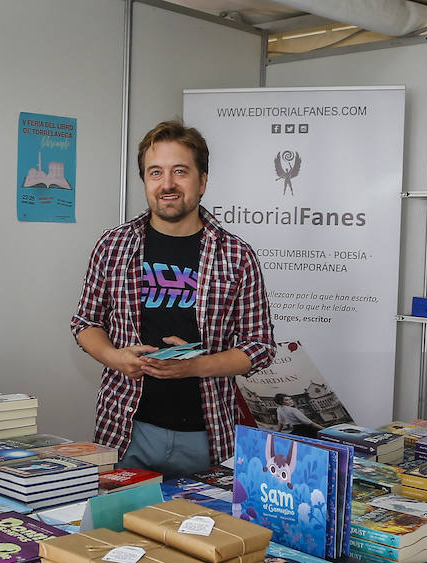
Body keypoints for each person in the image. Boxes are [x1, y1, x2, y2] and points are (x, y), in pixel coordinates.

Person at [71, 120, 275, 478]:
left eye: (180, 171)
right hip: (125, 430)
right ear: (145, 181)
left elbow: (259, 347)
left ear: (203, 180)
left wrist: (193, 366)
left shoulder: (237, 255)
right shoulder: (113, 246)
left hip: (206, 435)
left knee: (202, 532)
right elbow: (86, 323)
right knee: (118, 532)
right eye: (155, 173)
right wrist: (115, 358)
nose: (167, 184)